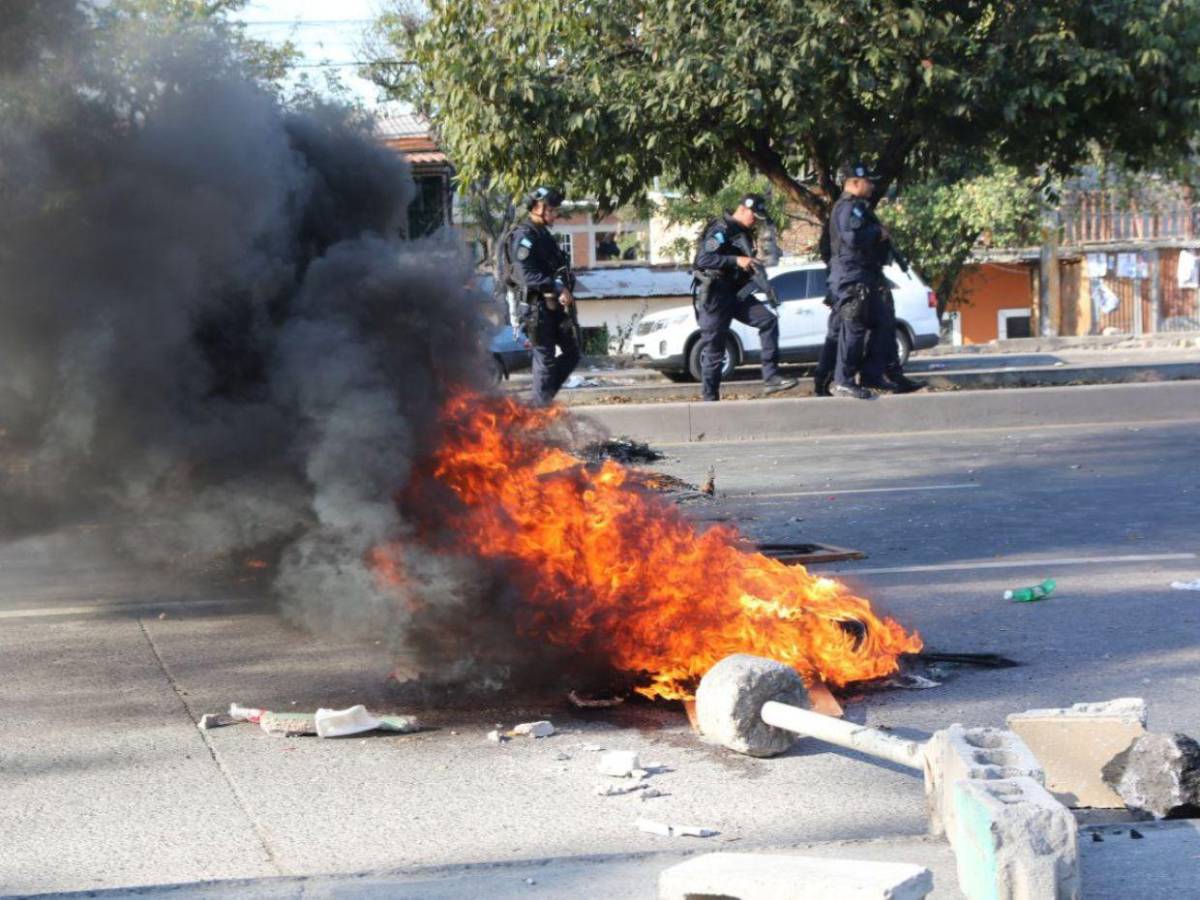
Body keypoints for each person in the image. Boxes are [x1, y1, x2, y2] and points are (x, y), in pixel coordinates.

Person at [690, 194, 798, 401]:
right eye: (754, 216)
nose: (755, 221)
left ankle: (771, 377)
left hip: (736, 293)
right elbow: (704, 259)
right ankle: (709, 399)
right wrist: (736, 260)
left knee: (768, 321)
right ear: (743, 209)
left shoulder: (743, 233)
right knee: (715, 349)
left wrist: (756, 274)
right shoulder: (721, 230)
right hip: (716, 295)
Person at [506, 186, 581, 405]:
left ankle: (542, 402)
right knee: (545, 361)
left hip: (554, 308)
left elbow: (558, 269)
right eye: (553, 209)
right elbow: (525, 274)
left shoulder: (543, 235)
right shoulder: (525, 236)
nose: (556, 214)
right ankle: (539, 412)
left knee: (573, 354)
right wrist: (557, 288)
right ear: (538, 207)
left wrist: (563, 286)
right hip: (536, 308)